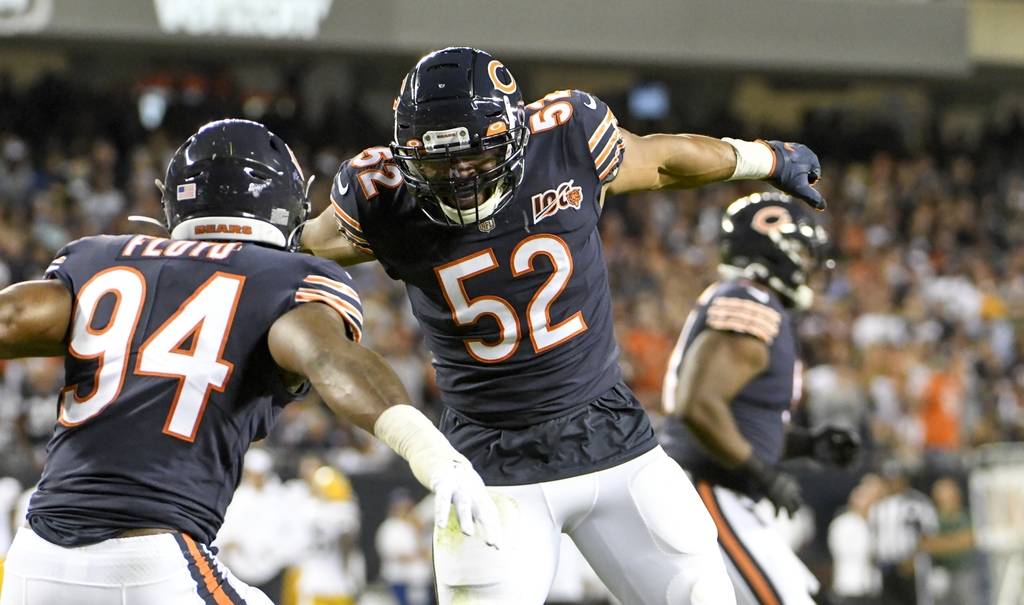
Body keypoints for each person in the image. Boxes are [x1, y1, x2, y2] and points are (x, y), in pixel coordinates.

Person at [301, 46, 828, 605]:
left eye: (476, 159)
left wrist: (760, 158)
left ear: (514, 136)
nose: (459, 178)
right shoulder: (380, 199)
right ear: (408, 155)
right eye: (437, 164)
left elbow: (664, 158)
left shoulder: (565, 137)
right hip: (490, 466)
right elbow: (303, 244)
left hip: (614, 441)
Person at [0, 119, 498, 605]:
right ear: (285, 205)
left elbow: (11, 317)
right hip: (152, 561)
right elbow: (328, 358)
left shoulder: (100, 259)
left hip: (33, 564)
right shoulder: (282, 275)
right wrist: (432, 452)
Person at [660, 192, 861, 604]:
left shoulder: (756, 302)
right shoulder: (750, 301)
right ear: (776, 249)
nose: (807, 266)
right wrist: (762, 473)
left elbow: (741, 422)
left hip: (719, 489)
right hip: (706, 488)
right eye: (801, 253)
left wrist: (807, 443)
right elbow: (698, 406)